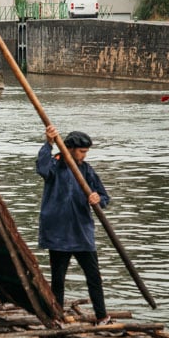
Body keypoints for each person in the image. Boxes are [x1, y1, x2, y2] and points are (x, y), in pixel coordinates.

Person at [36, 125, 111, 325]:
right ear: (69, 148)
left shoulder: (86, 170)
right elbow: (41, 169)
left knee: (94, 277)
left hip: (82, 233)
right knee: (58, 279)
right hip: (58, 234)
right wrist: (49, 143)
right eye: (81, 151)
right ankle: (57, 316)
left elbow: (104, 196)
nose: (84, 156)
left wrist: (98, 199)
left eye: (86, 152)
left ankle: (102, 316)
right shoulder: (55, 165)